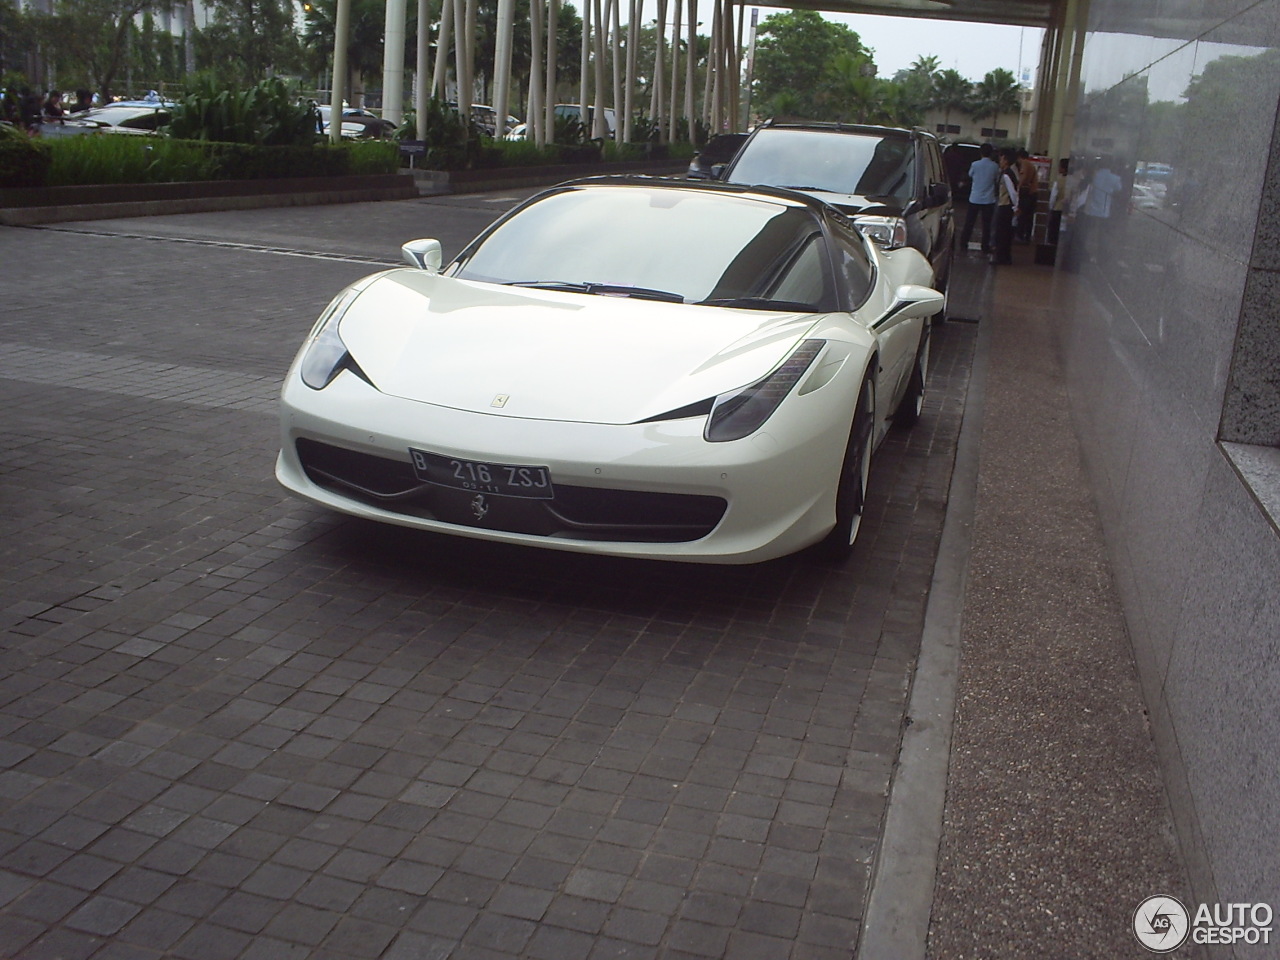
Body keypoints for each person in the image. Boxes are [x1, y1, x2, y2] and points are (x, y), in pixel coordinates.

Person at [957, 143, 1000, 255]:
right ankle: (985, 246)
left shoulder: (975, 165)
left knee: (969, 222)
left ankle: (963, 242)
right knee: (986, 225)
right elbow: (997, 180)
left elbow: (970, 175)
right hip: (989, 199)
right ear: (991, 153)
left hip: (974, 198)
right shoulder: (995, 166)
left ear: (980, 152)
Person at [991, 148, 1019, 265]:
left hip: (1005, 206)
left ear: (1006, 160)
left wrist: (1016, 207)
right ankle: (1004, 257)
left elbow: (1012, 192)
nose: (1000, 161)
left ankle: (1001, 257)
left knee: (1002, 233)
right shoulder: (1007, 173)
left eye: (1001, 158)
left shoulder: (1007, 175)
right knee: (1004, 233)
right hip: (1005, 206)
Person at [1015, 148, 1039, 241]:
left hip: (1027, 194)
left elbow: (1024, 177)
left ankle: (1020, 235)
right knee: (1029, 217)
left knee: (1023, 215)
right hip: (1033, 193)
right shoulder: (1031, 165)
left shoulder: (1024, 163)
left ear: (1019, 157)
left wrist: (1018, 186)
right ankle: (1027, 236)